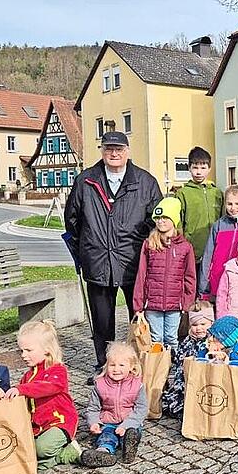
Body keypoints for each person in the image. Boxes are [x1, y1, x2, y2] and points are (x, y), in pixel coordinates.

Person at [64, 131, 162, 382]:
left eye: (119, 149)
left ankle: (138, 363)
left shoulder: (145, 181)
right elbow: (72, 220)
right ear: (102, 151)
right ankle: (104, 365)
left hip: (132, 261)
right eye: (109, 149)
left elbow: (157, 220)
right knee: (102, 320)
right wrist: (85, 249)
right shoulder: (86, 181)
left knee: (138, 316)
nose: (114, 153)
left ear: (127, 151)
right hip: (98, 261)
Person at [0, 322, 81, 469]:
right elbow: (21, 398)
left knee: (41, 448)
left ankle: (68, 453)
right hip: (38, 427)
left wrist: (20, 389)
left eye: (28, 350)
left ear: (47, 350)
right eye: (21, 350)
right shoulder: (27, 376)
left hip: (59, 423)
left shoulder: (57, 370)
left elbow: (48, 387)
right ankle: (44, 462)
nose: (23, 355)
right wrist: (2, 396)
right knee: (23, 449)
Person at [161, 305, 238, 427]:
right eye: (212, 336)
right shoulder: (205, 344)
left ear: (226, 341)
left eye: (216, 338)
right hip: (207, 383)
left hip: (229, 384)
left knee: (236, 398)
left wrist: (226, 359)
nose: (211, 339)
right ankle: (191, 414)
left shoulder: (236, 350)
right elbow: (199, 361)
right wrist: (209, 356)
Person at [133, 198, 196, 350]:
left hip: (175, 304)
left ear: (174, 219)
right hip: (153, 303)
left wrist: (187, 303)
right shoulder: (149, 244)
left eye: (165, 218)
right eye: (158, 218)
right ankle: (158, 370)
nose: (160, 221)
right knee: (156, 339)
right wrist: (138, 306)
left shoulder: (185, 247)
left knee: (171, 338)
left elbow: (190, 276)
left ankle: (173, 368)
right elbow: (141, 275)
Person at [81, 342, 147, 468]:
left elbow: (141, 409)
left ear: (131, 367)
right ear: (106, 365)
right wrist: (94, 422)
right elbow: (93, 408)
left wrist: (127, 425)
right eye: (112, 365)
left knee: (132, 433)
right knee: (106, 437)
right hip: (108, 422)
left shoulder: (137, 385)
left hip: (129, 422)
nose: (116, 369)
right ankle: (103, 453)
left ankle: (128, 446)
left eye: (121, 365)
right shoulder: (100, 385)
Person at [175, 146, 224, 269]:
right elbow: (178, 222)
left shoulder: (217, 193)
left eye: (203, 168)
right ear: (189, 168)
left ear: (209, 169)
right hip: (193, 249)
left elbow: (223, 219)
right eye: (195, 167)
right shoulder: (183, 193)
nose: (198, 172)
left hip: (215, 248)